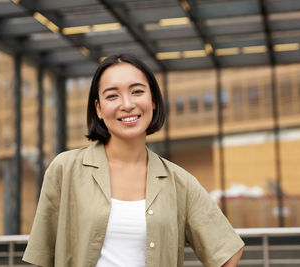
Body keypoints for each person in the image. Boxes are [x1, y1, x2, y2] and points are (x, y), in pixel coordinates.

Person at [23, 53, 244, 267]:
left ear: (154, 101)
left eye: (137, 91)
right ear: (98, 109)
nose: (127, 104)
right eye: (112, 96)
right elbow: (44, 256)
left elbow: (227, 251)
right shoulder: (65, 168)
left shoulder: (180, 182)